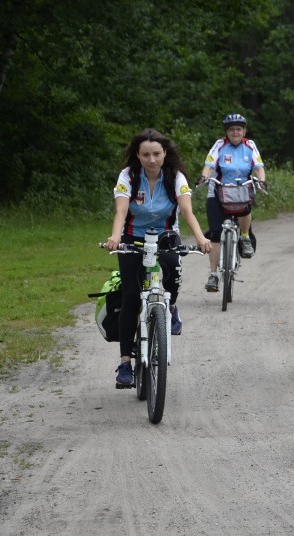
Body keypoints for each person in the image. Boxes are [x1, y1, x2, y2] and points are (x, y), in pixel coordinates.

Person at [105, 129, 212, 388]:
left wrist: (200, 238)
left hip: (166, 236)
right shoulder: (128, 176)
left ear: (165, 154)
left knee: (173, 278)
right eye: (145, 155)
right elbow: (121, 209)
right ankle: (125, 363)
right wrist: (115, 237)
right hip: (132, 237)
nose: (151, 160)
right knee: (131, 296)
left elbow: (186, 210)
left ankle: (171, 307)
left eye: (156, 154)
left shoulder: (175, 177)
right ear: (137, 156)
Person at [197, 113, 267, 292]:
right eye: (231, 129)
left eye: (239, 129)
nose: (235, 132)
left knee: (245, 208)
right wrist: (204, 176)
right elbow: (210, 165)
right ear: (226, 132)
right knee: (214, 232)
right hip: (218, 191)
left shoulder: (250, 146)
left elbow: (258, 167)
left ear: (244, 131)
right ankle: (213, 275)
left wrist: (261, 180)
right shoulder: (220, 145)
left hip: (241, 189)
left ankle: (244, 237)